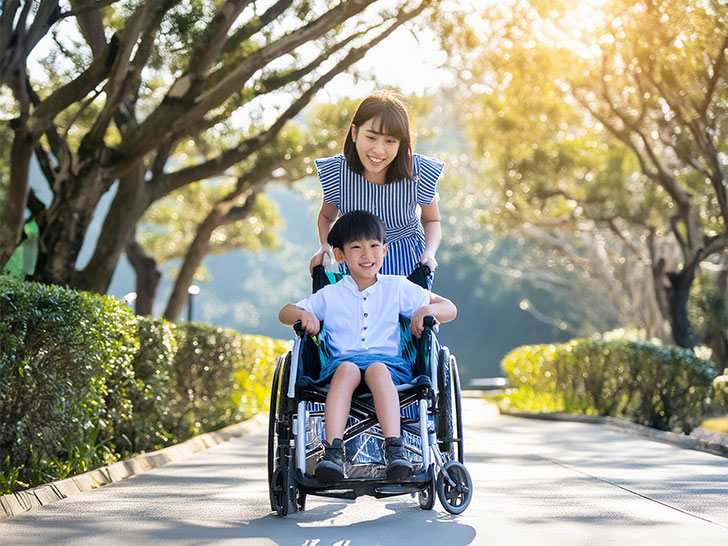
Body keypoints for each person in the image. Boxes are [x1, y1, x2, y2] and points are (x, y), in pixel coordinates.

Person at [279, 210, 457, 483]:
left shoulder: (398, 287)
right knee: (348, 369)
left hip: (389, 367)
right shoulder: (329, 294)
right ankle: (334, 452)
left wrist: (424, 311)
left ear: (384, 251)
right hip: (340, 367)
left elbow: (449, 308)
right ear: (339, 255)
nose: (367, 254)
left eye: (374, 246)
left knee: (375, 369)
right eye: (357, 247)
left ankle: (394, 450)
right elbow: (285, 312)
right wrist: (303, 315)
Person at [309, 91, 445, 287]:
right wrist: (325, 247)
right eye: (371, 137)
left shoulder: (418, 171)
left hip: (408, 261)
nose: (379, 150)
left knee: (409, 316)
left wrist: (429, 253)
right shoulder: (338, 172)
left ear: (401, 143)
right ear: (354, 133)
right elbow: (327, 217)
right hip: (358, 259)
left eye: (390, 141)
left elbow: (432, 219)